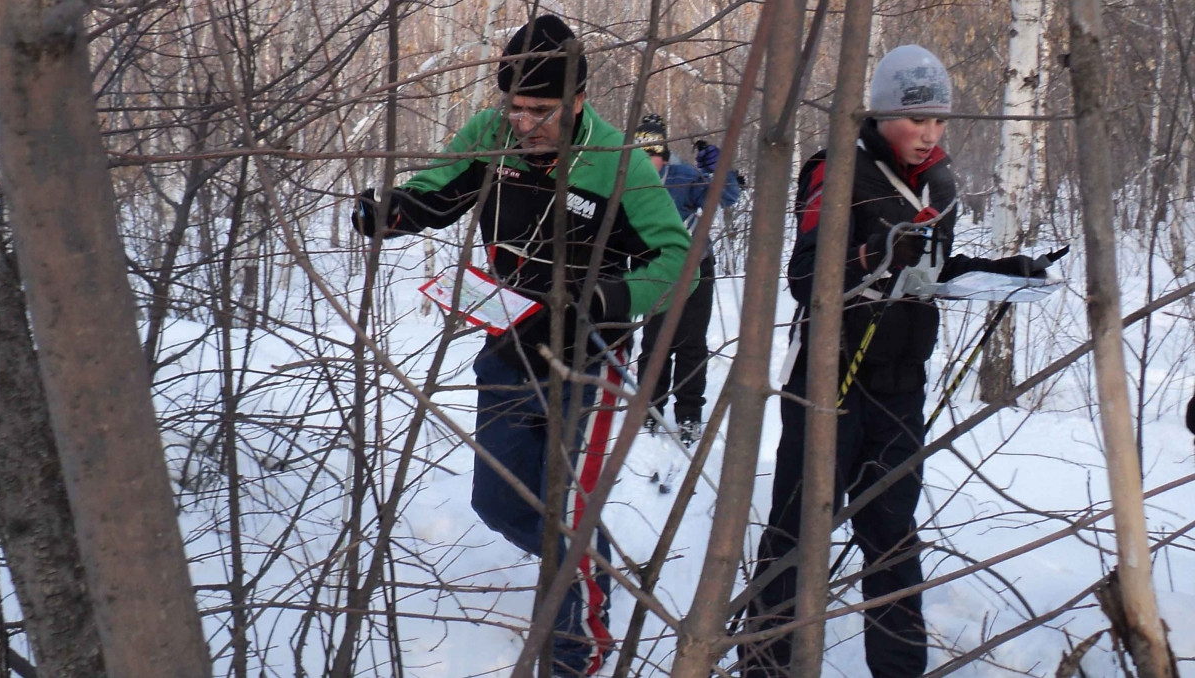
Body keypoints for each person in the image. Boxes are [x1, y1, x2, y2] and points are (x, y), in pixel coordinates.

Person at [351, 15, 691, 676]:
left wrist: (595, 303)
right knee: (499, 502)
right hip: (508, 350)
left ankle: (577, 652)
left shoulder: (618, 162)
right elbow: (439, 192)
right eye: (515, 107)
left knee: (565, 516)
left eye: (541, 110)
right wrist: (391, 210)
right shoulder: (491, 135)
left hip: (589, 362)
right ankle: (576, 570)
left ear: (579, 102)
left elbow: (680, 261)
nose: (524, 123)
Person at [739, 45, 1050, 677]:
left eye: (940, 121)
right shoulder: (839, 174)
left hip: (902, 383)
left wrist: (1003, 272)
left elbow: (931, 270)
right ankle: (765, 665)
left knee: (892, 536)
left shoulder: (940, 180)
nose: (930, 135)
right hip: (831, 379)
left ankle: (901, 670)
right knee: (797, 532)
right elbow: (804, 277)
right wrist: (875, 252)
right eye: (917, 121)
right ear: (882, 116)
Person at [632, 113, 742, 445]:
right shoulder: (627, 181)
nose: (646, 161)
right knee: (655, 343)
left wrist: (719, 168)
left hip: (696, 266)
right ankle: (649, 410)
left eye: (652, 154)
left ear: (663, 155)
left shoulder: (682, 177)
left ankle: (690, 415)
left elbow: (725, 197)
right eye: (639, 155)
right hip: (653, 269)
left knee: (691, 344)